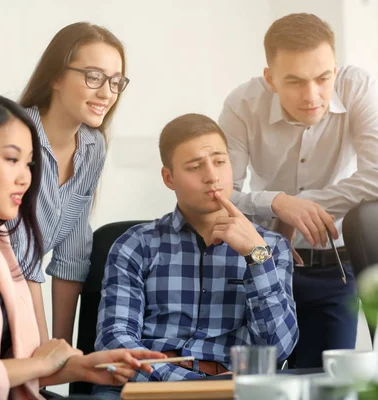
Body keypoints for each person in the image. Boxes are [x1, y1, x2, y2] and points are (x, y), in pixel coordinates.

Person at [0, 92, 164, 399]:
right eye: (12, 159)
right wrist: (40, 363)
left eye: (29, 164)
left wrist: (82, 367)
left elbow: (20, 365)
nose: (25, 178)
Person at [218, 13, 378, 368]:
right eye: (295, 82)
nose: (312, 95)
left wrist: (298, 207)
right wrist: (276, 203)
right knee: (257, 383)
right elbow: (223, 197)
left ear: (335, 67)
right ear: (270, 78)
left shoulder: (358, 86)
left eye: (323, 77)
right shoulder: (241, 104)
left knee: (326, 382)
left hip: (332, 268)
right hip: (260, 265)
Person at [93, 114, 298, 398]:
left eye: (219, 161)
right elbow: (115, 344)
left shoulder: (270, 247)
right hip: (147, 388)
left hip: (231, 389)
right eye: (195, 166)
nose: (212, 175)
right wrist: (192, 385)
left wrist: (256, 257)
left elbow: (278, 350)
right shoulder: (135, 244)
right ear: (169, 178)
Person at [7, 22, 130, 344]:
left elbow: (72, 254)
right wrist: (44, 359)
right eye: (93, 77)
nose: (106, 93)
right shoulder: (14, 137)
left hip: (15, 298)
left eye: (116, 82)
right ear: (56, 77)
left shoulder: (92, 147)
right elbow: (20, 256)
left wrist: (60, 351)